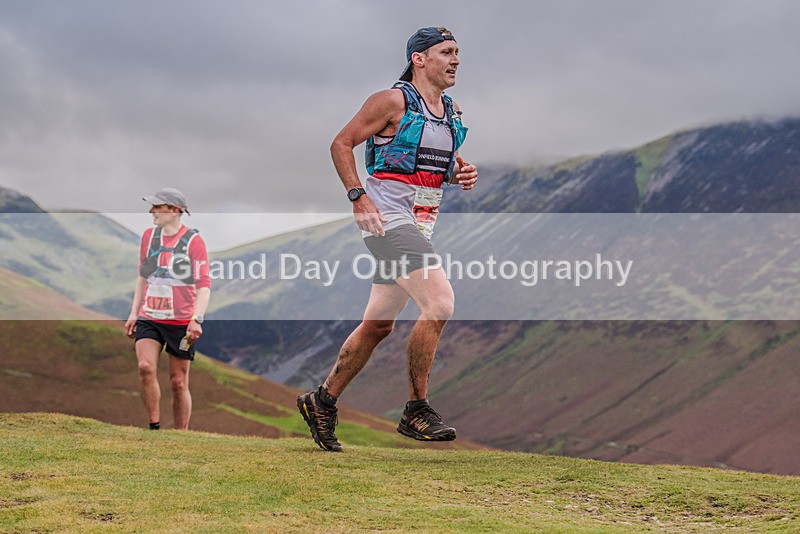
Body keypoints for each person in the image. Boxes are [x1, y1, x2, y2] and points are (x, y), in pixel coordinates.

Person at [298, 27, 478, 451]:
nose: (456, 60)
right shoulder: (391, 101)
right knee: (440, 303)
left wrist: (459, 174)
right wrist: (357, 196)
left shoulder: (450, 111)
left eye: (457, 52)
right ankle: (417, 409)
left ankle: (321, 401)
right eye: (446, 52)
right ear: (419, 59)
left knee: (379, 325)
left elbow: (428, 166)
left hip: (420, 224)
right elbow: (341, 143)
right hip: (387, 222)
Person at [124, 188, 211, 430]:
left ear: (174, 210)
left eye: (157, 207)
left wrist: (196, 320)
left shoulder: (193, 242)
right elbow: (142, 277)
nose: (151, 211)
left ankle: (180, 435)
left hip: (180, 322)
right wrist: (134, 313)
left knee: (178, 382)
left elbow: (204, 286)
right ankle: (154, 427)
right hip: (149, 317)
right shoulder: (148, 237)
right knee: (145, 367)